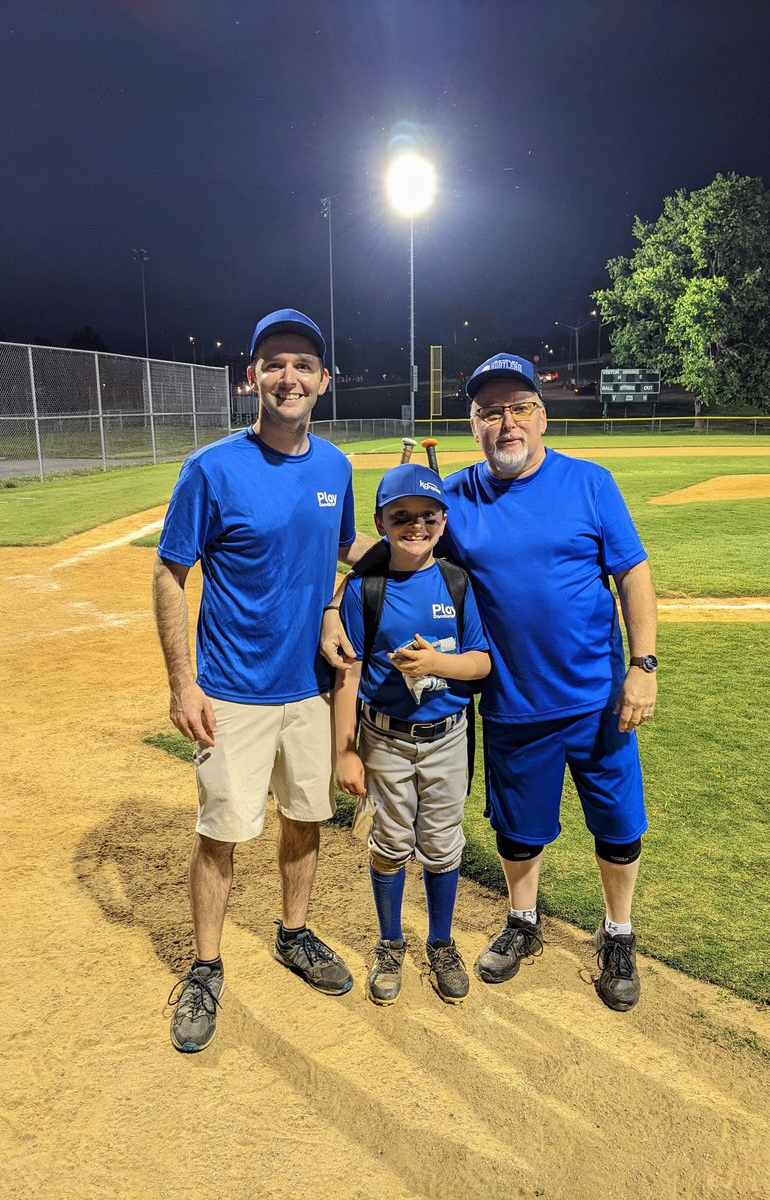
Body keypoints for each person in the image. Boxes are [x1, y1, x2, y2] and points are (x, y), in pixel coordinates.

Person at [322, 352, 657, 1012]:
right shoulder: (459, 499)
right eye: (490, 412)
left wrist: (642, 667)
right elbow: (397, 554)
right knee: (518, 831)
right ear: (473, 425)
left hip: (597, 700)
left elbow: (634, 575)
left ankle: (618, 933)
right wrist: (337, 603)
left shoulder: (591, 482)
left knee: (617, 827)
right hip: (510, 703)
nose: (507, 423)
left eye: (519, 408)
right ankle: (522, 922)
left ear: (542, 415)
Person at [153, 308, 372, 1054]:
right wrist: (184, 683)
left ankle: (293, 932)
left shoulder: (336, 467)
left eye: (303, 365)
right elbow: (169, 571)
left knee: (305, 820)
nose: (289, 377)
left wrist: (423, 538)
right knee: (220, 834)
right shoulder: (211, 468)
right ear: (252, 378)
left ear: (323, 382)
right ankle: (207, 965)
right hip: (232, 691)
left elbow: (345, 552)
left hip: (309, 690)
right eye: (274, 363)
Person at [333, 464, 490, 1005]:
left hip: (447, 736)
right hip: (384, 739)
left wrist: (434, 665)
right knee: (392, 842)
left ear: (443, 522)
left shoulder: (456, 582)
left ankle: (441, 941)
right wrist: (345, 752)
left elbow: (481, 663)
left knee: (442, 844)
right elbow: (349, 674)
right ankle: (390, 941)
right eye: (401, 517)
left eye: (427, 516)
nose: (415, 526)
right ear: (381, 523)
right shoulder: (365, 589)